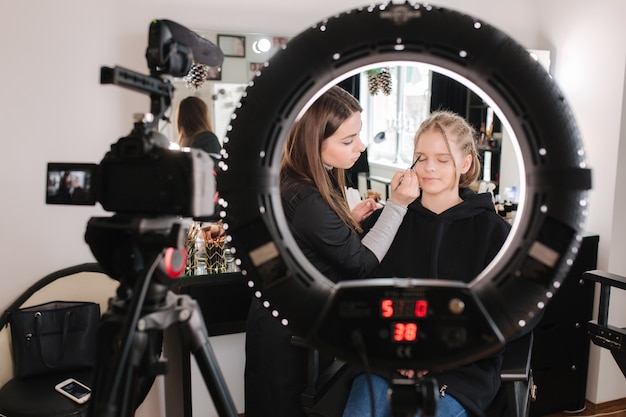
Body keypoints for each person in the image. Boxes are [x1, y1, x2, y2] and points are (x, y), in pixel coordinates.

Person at [244, 86, 420, 417]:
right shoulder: (306, 197)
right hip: (285, 336)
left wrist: (343, 222)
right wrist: (397, 205)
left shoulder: (299, 179)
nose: (361, 146)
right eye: (347, 140)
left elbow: (304, 238)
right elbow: (362, 264)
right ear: (315, 141)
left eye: (359, 135)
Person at [342, 110, 512, 417]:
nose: (430, 167)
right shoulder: (387, 222)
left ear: (466, 163)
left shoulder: (494, 233)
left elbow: (510, 311)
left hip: (459, 369)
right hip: (386, 360)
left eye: (443, 159)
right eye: (421, 157)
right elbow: (362, 297)